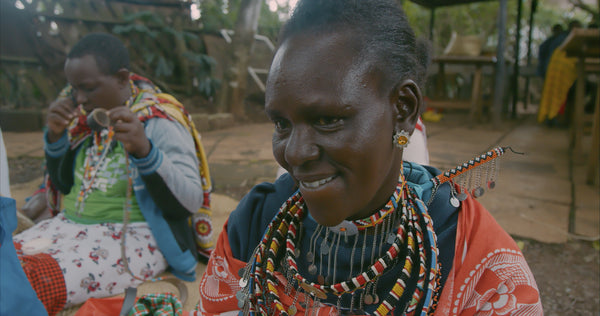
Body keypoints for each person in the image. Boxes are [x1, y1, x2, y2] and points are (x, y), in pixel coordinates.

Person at [198, 1, 542, 315]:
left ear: (403, 109)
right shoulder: (254, 224)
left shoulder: (472, 257)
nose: (294, 153)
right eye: (281, 123)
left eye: (327, 119)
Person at [12, 33, 213, 315]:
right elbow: (62, 185)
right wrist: (56, 139)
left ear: (121, 79)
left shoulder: (158, 120)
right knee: (8, 261)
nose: (79, 99)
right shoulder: (85, 120)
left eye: (89, 88)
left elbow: (190, 200)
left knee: (31, 283)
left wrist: (146, 152)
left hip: (131, 238)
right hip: (68, 227)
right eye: (74, 89)